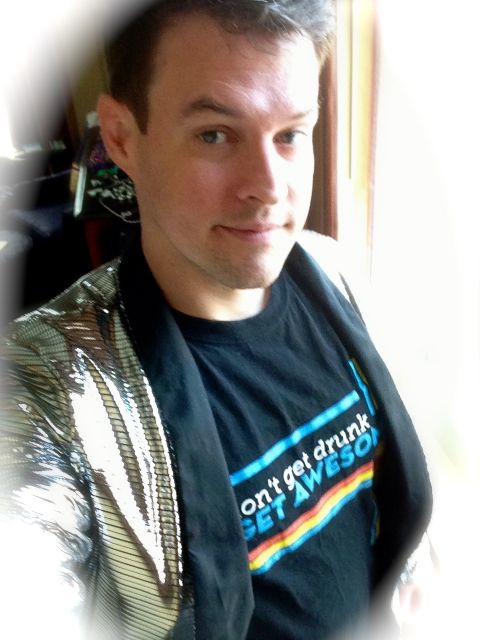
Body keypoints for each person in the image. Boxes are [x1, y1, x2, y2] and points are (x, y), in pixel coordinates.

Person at [0, 1, 433, 639]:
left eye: (291, 135)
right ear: (121, 138)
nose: (268, 186)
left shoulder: (333, 271)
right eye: (214, 134)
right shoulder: (44, 387)